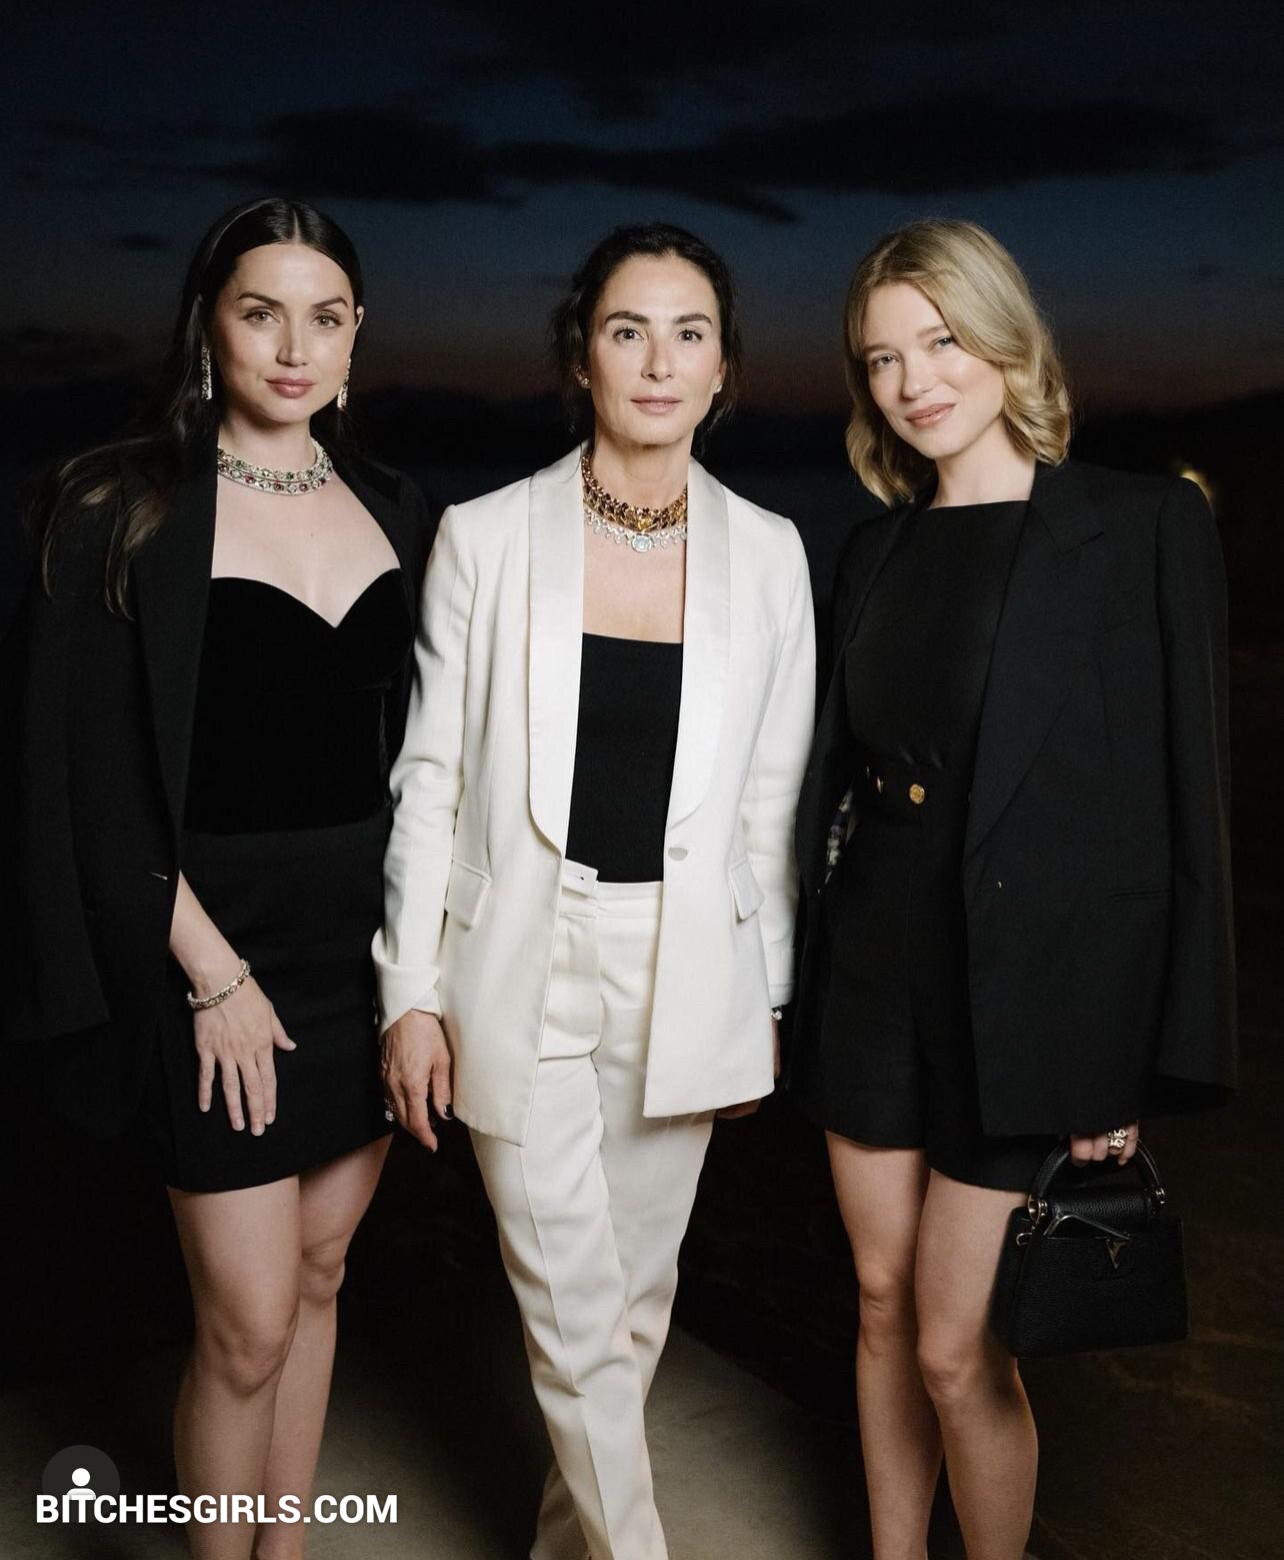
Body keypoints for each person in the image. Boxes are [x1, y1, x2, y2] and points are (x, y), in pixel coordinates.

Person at [789, 219, 1235, 1560]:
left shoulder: (1143, 526)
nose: (913, 381)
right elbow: (834, 789)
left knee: (954, 1344)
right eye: (882, 359)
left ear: (1006, 339)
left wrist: (1130, 1063)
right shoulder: (872, 553)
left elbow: (1186, 820)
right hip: (874, 974)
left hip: (1032, 1002)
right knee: (880, 1305)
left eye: (940, 341)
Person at [376, 222, 815, 1560]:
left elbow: (769, 805)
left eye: (690, 334)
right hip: (519, 954)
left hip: (688, 963)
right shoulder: (487, 536)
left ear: (725, 368)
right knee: (571, 1312)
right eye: (630, 331)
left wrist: (764, 1000)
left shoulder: (772, 553)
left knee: (630, 1308)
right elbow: (431, 778)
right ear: (584, 356)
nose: (659, 362)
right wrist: (409, 994)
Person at [6, 197, 433, 1559]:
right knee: (244, 1325)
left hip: (360, 961)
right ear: (209, 327)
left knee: (318, 1278)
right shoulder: (117, 506)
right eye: (261, 313)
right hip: (210, 957)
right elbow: (84, 779)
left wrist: (423, 975)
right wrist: (211, 974)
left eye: (325, 317)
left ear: (356, 336)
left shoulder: (397, 507)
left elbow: (423, 762)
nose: (294, 348)